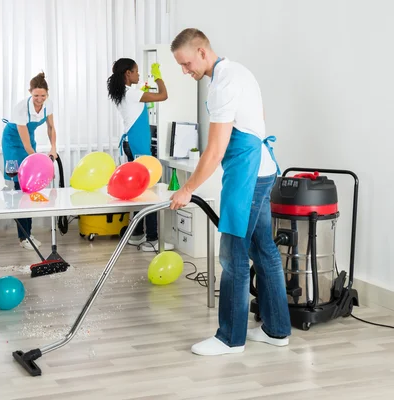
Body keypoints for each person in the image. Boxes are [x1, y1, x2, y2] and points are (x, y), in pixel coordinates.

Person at [169, 28, 291, 356]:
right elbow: (258, 121)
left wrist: (187, 189)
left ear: (202, 51)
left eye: (186, 63)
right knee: (264, 249)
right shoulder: (239, 71)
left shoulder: (223, 84)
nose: (185, 71)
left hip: (248, 177)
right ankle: (278, 330)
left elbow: (215, 150)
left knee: (232, 254)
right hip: (264, 171)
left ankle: (230, 338)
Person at [107, 58, 174, 252]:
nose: (138, 75)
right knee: (147, 189)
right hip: (137, 144)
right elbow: (163, 95)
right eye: (136, 72)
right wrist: (157, 77)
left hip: (131, 142)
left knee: (137, 190)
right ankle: (152, 239)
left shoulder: (125, 93)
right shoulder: (132, 94)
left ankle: (136, 234)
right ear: (128, 73)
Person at [2, 72, 58, 250]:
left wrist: (53, 147)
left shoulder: (48, 104)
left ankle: (28, 233)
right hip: (14, 142)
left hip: (28, 141)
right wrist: (37, 159)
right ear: (29, 92)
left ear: (47, 94)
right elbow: (25, 144)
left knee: (30, 188)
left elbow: (51, 127)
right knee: (21, 186)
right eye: (36, 96)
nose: (39, 99)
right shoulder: (20, 108)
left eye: (43, 95)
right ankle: (23, 236)